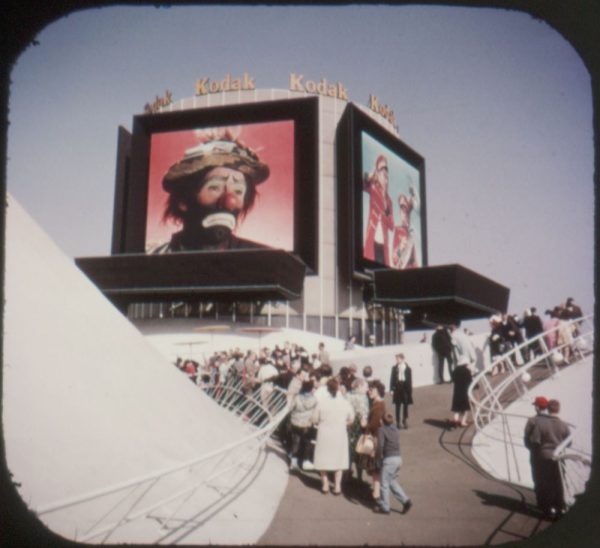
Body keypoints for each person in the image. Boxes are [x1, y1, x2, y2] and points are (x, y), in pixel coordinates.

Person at [152, 128, 270, 252]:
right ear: (183, 200)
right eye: (215, 187)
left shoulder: (264, 261)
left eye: (238, 191)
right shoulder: (153, 259)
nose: (230, 202)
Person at [525, 399, 571, 518]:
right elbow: (569, 442)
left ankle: (547, 508)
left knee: (545, 482)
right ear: (558, 409)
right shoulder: (563, 424)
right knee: (558, 482)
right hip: (559, 458)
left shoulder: (540, 423)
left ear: (548, 409)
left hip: (543, 457)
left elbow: (535, 441)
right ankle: (560, 507)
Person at [312, 378, 355, 494]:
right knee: (339, 460)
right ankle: (337, 486)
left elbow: (315, 419)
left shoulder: (322, 402)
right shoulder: (345, 402)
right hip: (339, 434)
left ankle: (325, 484)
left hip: (324, 433)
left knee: (323, 459)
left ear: (327, 389)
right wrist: (343, 423)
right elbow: (351, 419)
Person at [373, 413, 412, 515]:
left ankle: (385, 507)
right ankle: (406, 501)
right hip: (398, 458)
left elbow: (380, 446)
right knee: (392, 481)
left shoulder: (381, 430)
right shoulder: (395, 428)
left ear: (382, 421)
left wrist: (377, 458)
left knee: (384, 483)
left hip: (389, 460)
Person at [363, 154, 394, 265]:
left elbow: (391, 226)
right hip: (372, 242)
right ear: (377, 173)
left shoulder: (389, 201)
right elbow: (362, 184)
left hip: (383, 247)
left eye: (386, 168)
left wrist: (385, 215)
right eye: (381, 168)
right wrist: (369, 176)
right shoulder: (373, 188)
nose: (385, 171)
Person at [361, 380, 387, 501]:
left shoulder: (378, 406)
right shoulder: (378, 404)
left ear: (377, 391)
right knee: (376, 468)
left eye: (371, 390)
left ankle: (377, 495)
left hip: (376, 440)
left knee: (376, 468)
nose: (369, 391)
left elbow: (374, 425)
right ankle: (377, 492)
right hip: (378, 439)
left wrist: (364, 424)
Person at [524, 396, 549, 511]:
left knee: (538, 478)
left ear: (538, 407)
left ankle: (542, 503)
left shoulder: (532, 420)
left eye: (535, 406)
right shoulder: (552, 420)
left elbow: (526, 437)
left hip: (536, 453)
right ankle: (553, 504)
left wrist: (531, 449)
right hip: (551, 453)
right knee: (552, 478)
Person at [289, 380, 318, 471]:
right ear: (311, 389)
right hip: (307, 423)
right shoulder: (315, 400)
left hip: (296, 421)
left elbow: (291, 408)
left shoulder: (297, 397)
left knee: (296, 442)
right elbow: (315, 413)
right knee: (306, 442)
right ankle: (305, 460)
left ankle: (293, 462)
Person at [391, 185, 419, 269]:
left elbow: (414, 261)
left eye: (405, 209)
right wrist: (400, 247)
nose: (404, 212)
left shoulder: (412, 232)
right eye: (401, 208)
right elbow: (394, 258)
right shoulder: (397, 230)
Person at [389, 353, 413, 429]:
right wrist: (391, 389)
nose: (397, 360)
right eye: (396, 359)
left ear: (402, 359)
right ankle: (398, 421)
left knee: (405, 405)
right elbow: (392, 379)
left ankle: (404, 420)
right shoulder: (394, 368)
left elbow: (410, 380)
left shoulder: (408, 368)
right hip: (397, 387)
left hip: (405, 388)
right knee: (397, 405)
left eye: (398, 359)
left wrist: (410, 391)